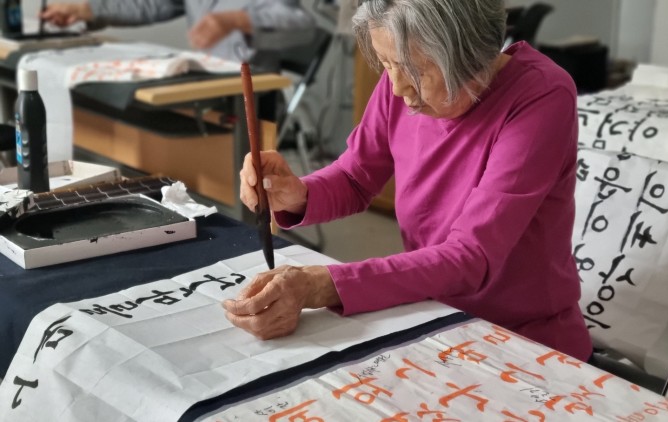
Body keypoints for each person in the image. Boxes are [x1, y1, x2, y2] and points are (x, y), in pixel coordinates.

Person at [224, 0, 594, 362]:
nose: (398, 88)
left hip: (525, 341)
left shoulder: (541, 96)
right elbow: (355, 177)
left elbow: (470, 256)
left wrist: (323, 285)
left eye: (414, 70)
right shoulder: (401, 83)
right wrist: (296, 193)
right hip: (431, 317)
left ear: (469, 56)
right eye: (387, 64)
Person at [40, 0, 315, 64]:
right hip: (201, 77)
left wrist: (236, 20)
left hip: (249, 91)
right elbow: (153, 4)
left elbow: (303, 26)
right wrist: (87, 9)